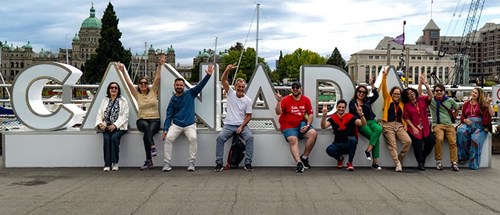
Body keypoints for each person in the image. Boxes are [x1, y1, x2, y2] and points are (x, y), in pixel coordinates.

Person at [162, 64, 214, 172]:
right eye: (177, 85)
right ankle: (167, 163)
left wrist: (208, 75)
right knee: (168, 139)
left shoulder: (190, 93)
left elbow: (200, 86)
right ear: (174, 86)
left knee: (193, 138)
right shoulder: (172, 100)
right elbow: (169, 115)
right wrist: (165, 129)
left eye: (181, 85)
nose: (179, 87)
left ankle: (191, 162)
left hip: (190, 124)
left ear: (184, 86)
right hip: (176, 125)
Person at [118, 55, 163, 170]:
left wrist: (160, 65)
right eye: (141, 83)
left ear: (148, 84)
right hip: (142, 120)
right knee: (145, 125)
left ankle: (149, 161)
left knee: (146, 136)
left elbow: (157, 79)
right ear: (138, 85)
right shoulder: (137, 94)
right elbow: (128, 83)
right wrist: (123, 71)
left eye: (145, 83)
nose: (143, 84)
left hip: (155, 120)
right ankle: (153, 146)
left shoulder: (153, 91)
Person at [214, 64, 254, 172]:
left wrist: (241, 126)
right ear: (235, 87)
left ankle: (248, 163)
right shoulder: (230, 93)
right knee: (220, 138)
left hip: (242, 125)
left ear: (244, 87)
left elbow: (249, 116)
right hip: (229, 125)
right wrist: (227, 70)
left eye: (242, 87)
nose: (240, 88)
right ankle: (219, 163)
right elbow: (223, 80)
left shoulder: (248, 100)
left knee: (250, 137)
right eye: (238, 86)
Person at [274, 82, 318, 173]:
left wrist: (308, 125)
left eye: (297, 87)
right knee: (293, 140)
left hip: (301, 125)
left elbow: (310, 114)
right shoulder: (286, 99)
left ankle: (304, 157)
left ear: (300, 89)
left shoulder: (306, 100)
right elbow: (278, 112)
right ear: (291, 89)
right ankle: (299, 163)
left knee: (314, 133)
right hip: (288, 126)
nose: (295, 89)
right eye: (293, 87)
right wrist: (278, 101)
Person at [380, 67, 411, 172]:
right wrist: (384, 76)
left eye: (398, 94)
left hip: (399, 125)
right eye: (395, 93)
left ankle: (400, 158)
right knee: (392, 145)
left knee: (407, 141)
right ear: (391, 94)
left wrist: (405, 126)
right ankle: (398, 164)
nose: (396, 95)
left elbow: (404, 117)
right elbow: (384, 89)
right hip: (388, 125)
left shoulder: (402, 104)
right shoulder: (388, 99)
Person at [402, 74, 435, 171]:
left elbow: (430, 96)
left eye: (412, 92)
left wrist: (426, 85)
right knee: (417, 144)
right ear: (406, 96)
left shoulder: (421, 100)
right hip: (414, 128)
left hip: (425, 126)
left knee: (431, 141)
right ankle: (421, 163)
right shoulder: (407, 106)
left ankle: (423, 156)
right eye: (408, 94)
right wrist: (413, 127)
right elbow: (406, 117)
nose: (411, 94)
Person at [321, 99, 366, 171]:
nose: (341, 109)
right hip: (338, 144)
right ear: (336, 107)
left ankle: (350, 162)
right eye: (339, 107)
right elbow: (323, 126)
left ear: (345, 108)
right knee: (329, 150)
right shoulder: (333, 118)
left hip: (349, 145)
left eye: (343, 107)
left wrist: (361, 114)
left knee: (353, 139)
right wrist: (324, 116)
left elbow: (363, 124)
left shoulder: (351, 117)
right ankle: (340, 159)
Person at [349, 77, 383, 170]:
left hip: (371, 121)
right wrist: (360, 116)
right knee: (375, 138)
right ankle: (375, 162)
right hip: (362, 123)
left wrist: (372, 85)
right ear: (356, 92)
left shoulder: (367, 100)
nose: (361, 93)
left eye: (363, 92)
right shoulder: (352, 103)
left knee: (379, 129)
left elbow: (376, 95)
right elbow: (353, 116)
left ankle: (368, 150)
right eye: (359, 91)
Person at [457, 87, 494, 169]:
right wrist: (465, 120)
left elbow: (491, 114)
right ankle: (463, 155)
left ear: (479, 95)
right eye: (473, 92)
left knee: (475, 139)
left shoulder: (483, 104)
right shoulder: (466, 104)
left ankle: (473, 163)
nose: (473, 94)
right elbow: (462, 116)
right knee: (461, 132)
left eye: (475, 93)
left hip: (480, 126)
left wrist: (489, 104)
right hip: (468, 124)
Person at [95, 82, 129, 171]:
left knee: (114, 138)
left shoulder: (123, 101)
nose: (113, 89)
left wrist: (115, 125)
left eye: (115, 88)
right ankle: (107, 164)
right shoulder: (105, 100)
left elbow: (125, 116)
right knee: (106, 139)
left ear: (118, 90)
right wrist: (100, 124)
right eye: (111, 88)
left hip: (119, 127)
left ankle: (115, 163)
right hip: (106, 127)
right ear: (108, 90)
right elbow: (99, 113)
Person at [429, 83, 460, 171]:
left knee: (453, 141)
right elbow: (421, 94)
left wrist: (454, 116)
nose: (439, 92)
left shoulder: (449, 100)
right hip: (438, 124)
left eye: (441, 90)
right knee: (439, 139)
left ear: (444, 92)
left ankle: (454, 162)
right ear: (434, 92)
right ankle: (438, 161)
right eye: (436, 91)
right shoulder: (432, 101)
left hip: (449, 124)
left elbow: (457, 107)